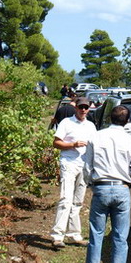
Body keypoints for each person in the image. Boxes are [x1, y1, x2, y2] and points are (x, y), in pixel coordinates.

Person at [81, 105, 131, 263]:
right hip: (122, 189)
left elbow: (86, 167)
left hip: (101, 188)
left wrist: (92, 183)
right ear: (127, 121)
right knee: (120, 237)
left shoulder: (96, 137)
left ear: (109, 118)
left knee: (96, 235)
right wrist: (127, 175)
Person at [50, 96, 97, 249]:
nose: (83, 110)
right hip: (69, 163)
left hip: (84, 165)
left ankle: (74, 234)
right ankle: (57, 236)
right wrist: (72, 144)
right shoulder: (66, 122)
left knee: (78, 200)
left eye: (86, 107)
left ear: (89, 108)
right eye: (81, 107)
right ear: (75, 107)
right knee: (65, 198)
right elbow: (56, 142)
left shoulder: (91, 126)